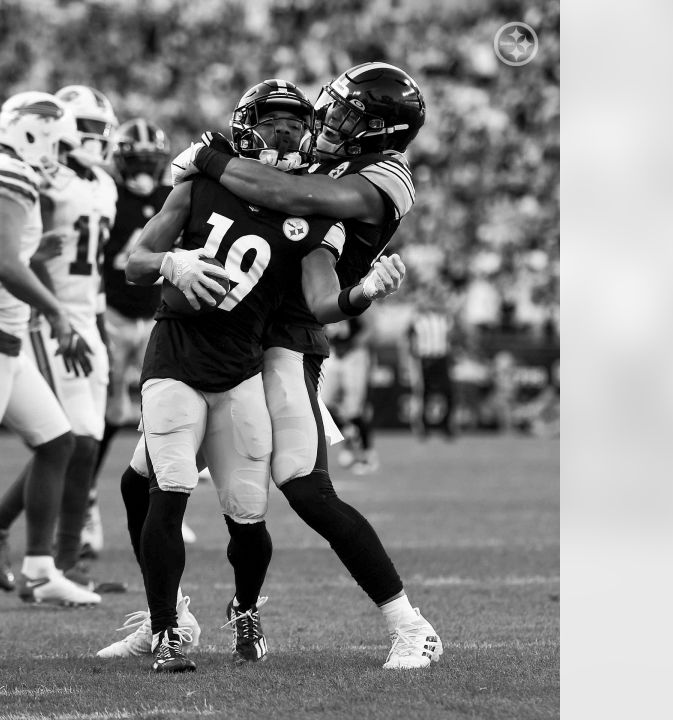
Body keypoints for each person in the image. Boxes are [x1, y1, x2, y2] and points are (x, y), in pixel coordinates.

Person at [121, 79, 406, 674]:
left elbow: (320, 284)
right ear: (248, 122)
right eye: (271, 121)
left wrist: (359, 295)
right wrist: (170, 260)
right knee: (157, 484)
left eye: (292, 123)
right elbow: (136, 263)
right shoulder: (201, 188)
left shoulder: (317, 197)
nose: (287, 132)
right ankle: (165, 625)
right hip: (179, 352)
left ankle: (245, 611)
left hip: (255, 360)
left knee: (258, 504)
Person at [0, 85, 120, 597]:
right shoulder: (22, 173)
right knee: (77, 439)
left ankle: (49, 567)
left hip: (78, 314)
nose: (82, 143)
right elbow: (10, 250)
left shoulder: (102, 185)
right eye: (72, 134)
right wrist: (55, 308)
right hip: (35, 317)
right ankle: (38, 549)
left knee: (68, 440)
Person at [94, 118, 198, 550]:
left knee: (161, 412)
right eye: (135, 161)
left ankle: (164, 504)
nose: (142, 170)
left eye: (149, 161)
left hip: (155, 317)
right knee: (106, 416)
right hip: (112, 315)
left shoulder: (167, 196)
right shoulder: (105, 195)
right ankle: (85, 505)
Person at [321, 314, 378, 473]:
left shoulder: (356, 292)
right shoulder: (322, 293)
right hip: (331, 352)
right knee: (321, 403)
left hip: (354, 354)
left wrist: (353, 343)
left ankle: (368, 454)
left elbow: (370, 328)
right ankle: (349, 432)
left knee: (354, 409)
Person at [407, 289, 459, 440]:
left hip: (441, 357)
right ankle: (422, 426)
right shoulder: (417, 318)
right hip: (424, 358)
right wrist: (411, 359)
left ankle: (446, 425)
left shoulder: (445, 318)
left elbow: (451, 338)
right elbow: (409, 340)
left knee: (448, 392)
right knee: (423, 393)